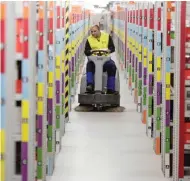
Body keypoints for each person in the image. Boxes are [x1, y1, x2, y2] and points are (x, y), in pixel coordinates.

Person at [84, 25, 117, 94]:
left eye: (95, 31)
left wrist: (109, 50)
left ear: (99, 30)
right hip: (94, 60)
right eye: (92, 32)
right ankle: (90, 85)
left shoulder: (107, 36)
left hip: (105, 60)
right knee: (89, 65)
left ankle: (110, 88)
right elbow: (86, 51)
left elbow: (112, 48)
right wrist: (90, 51)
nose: (93, 33)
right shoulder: (89, 39)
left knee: (112, 66)